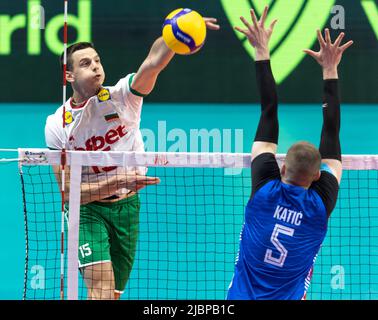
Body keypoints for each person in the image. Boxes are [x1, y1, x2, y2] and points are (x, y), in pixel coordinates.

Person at [45, 19, 220, 300]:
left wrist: (177, 31)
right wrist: (118, 181)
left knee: (112, 294)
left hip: (128, 209)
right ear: (68, 76)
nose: (96, 67)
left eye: (97, 60)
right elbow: (67, 194)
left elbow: (152, 63)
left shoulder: (122, 98)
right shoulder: (58, 125)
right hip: (88, 212)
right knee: (100, 291)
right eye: (85, 63)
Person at [227, 6, 353, 300]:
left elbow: (268, 110)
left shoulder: (264, 191)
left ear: (282, 168)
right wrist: (330, 70)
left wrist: (261, 50)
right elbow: (332, 134)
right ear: (318, 176)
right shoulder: (320, 206)